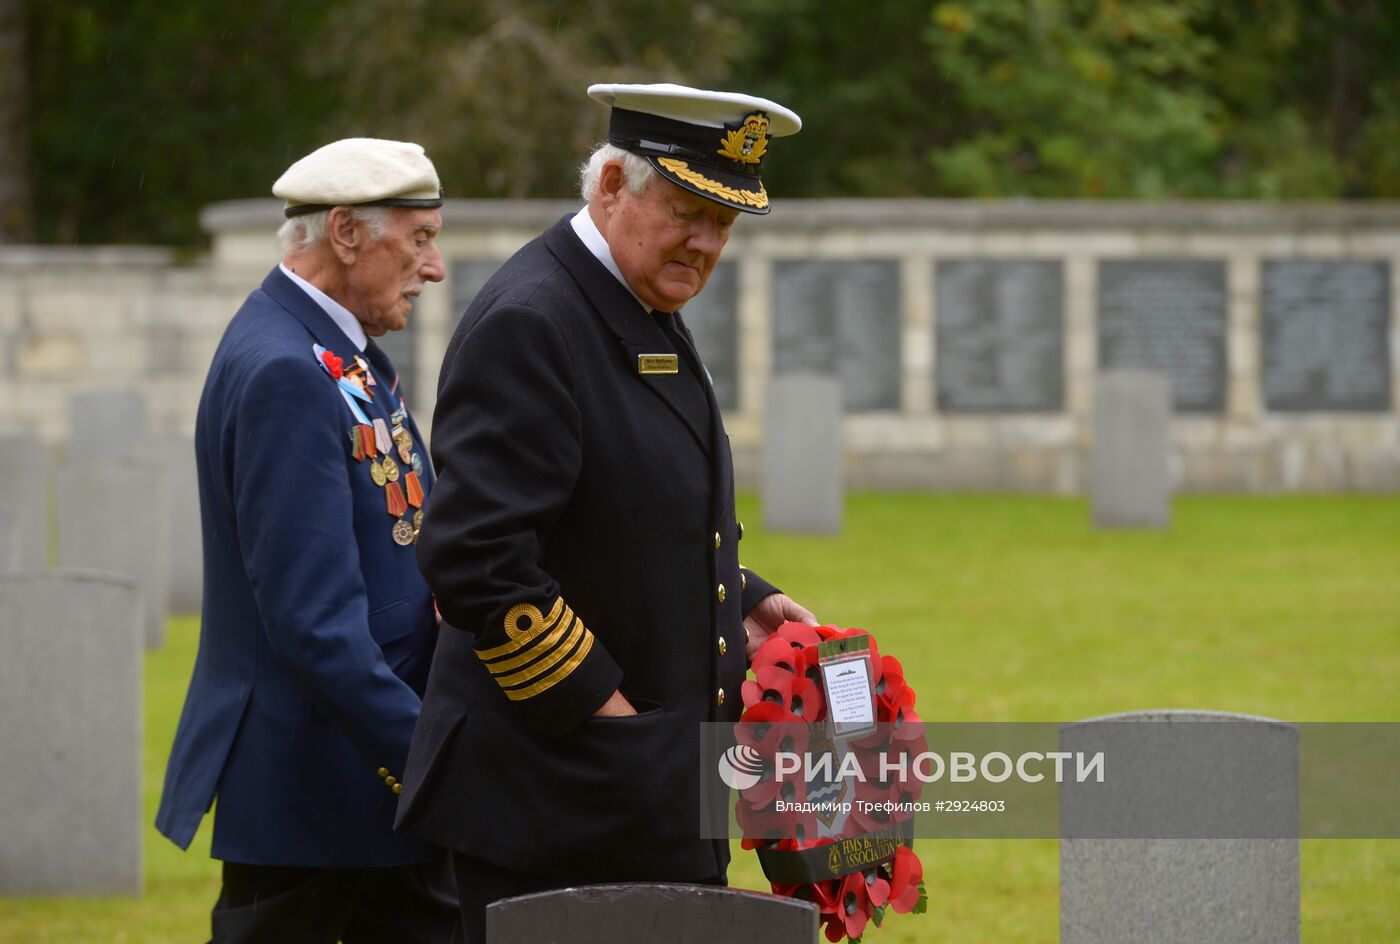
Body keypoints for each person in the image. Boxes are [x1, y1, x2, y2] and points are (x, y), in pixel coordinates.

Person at [396, 83, 817, 940]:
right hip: (558, 802)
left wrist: (744, 595)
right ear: (611, 187)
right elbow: (478, 560)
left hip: (651, 787)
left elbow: (629, 510)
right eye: (687, 208)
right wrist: (613, 724)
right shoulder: (535, 318)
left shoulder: (633, 296)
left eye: (725, 222)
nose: (705, 243)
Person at [156, 138, 459, 943]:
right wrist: (432, 760)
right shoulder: (287, 368)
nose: (433, 268)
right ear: (347, 235)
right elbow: (314, 621)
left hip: (357, 787)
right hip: (323, 794)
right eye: (420, 238)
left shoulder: (328, 350)